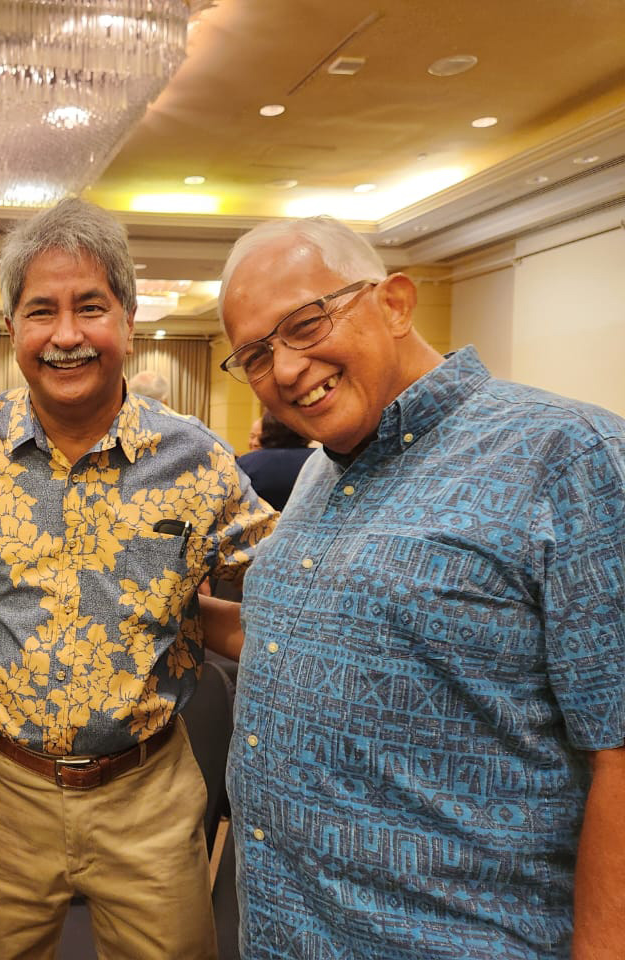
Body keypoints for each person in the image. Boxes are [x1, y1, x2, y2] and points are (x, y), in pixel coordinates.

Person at [218, 214, 625, 959]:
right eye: (254, 353)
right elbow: (306, 638)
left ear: (396, 303)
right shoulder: (321, 469)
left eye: (305, 325)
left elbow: (621, 749)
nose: (282, 369)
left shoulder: (568, 456)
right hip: (286, 934)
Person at [0, 198, 275, 959]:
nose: (67, 335)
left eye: (91, 307)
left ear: (130, 320)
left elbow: (285, 584)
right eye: (42, 310)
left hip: (148, 786)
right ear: (12, 327)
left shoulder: (198, 460)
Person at [234, 409, 313, 510]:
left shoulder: (246, 464)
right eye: (252, 436)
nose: (254, 442)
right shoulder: (324, 459)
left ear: (266, 431)